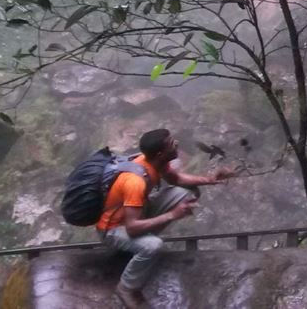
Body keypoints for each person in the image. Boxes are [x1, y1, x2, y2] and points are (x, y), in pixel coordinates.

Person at [97, 128, 237, 308]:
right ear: (161, 153)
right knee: (153, 246)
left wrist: (210, 179)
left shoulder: (155, 163)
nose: (177, 143)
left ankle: (138, 244)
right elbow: (131, 227)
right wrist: (173, 214)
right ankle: (127, 288)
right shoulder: (135, 182)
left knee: (187, 193)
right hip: (114, 229)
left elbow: (176, 179)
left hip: (135, 212)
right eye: (172, 143)